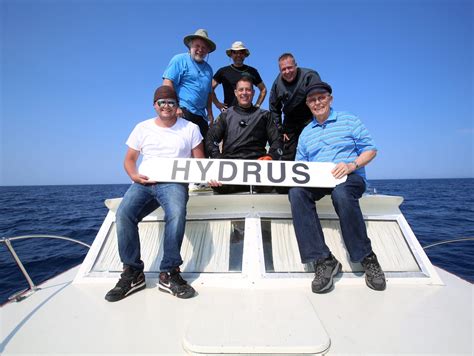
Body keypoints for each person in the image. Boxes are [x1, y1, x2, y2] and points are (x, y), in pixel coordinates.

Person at [105, 86, 205, 302]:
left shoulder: (191, 128)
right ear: (154, 105)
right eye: (162, 102)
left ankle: (169, 272)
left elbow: (200, 161)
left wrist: (211, 175)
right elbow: (130, 159)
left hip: (174, 183)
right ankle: (133, 272)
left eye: (171, 102)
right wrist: (134, 175)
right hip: (145, 182)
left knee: (176, 213)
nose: (166, 106)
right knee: (123, 214)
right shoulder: (142, 128)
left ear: (177, 105)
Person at [288, 81, 386, 293]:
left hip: (349, 178)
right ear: (308, 104)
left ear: (330, 99)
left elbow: (371, 150)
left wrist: (352, 165)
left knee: (341, 194)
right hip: (319, 180)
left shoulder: (349, 120)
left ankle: (366, 257)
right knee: (296, 192)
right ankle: (323, 260)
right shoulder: (306, 133)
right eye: (312, 100)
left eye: (321, 97)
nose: (317, 102)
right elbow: (300, 166)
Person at [207, 76, 282, 194]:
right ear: (236, 93)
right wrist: (219, 161)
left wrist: (271, 156)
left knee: (272, 186)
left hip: (258, 171)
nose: (244, 93)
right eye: (241, 90)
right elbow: (210, 141)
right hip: (230, 170)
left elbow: (277, 141)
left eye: (248, 90)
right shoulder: (225, 115)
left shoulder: (265, 116)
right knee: (217, 185)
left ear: (253, 93)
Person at [163, 28, 216, 148]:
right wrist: (174, 106)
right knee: (181, 149)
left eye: (204, 48)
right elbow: (167, 82)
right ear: (190, 46)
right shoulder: (179, 59)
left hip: (201, 117)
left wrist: (210, 113)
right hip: (183, 112)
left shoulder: (209, 69)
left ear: (208, 51)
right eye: (197, 46)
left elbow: (208, 93)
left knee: (203, 151)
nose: (200, 50)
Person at [269, 53, 321, 163]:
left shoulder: (310, 76)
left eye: (290, 67)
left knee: (312, 149)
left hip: (310, 117)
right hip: (290, 120)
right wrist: (280, 129)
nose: (287, 72)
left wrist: (319, 123)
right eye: (283, 69)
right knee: (288, 154)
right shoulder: (277, 84)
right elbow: (274, 108)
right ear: (280, 70)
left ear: (296, 65)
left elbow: (319, 101)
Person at [212, 41, 267, 111]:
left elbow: (263, 89)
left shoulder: (252, 71)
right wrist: (217, 104)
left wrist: (257, 105)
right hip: (229, 113)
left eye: (241, 52)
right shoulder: (223, 71)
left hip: (249, 113)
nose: (238, 55)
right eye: (235, 52)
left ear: (244, 55)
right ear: (231, 55)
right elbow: (210, 88)